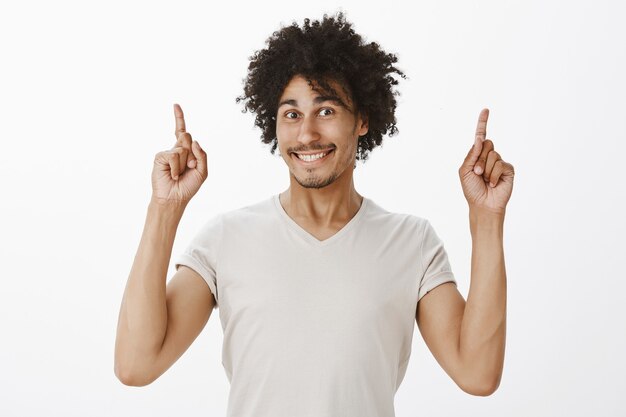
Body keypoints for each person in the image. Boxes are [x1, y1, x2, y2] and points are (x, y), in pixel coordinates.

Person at [114, 12, 515, 417]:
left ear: (361, 120)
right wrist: (164, 210)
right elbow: (135, 364)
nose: (306, 134)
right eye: (291, 114)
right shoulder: (226, 239)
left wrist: (486, 219)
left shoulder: (411, 242)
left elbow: (478, 374)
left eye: (326, 111)